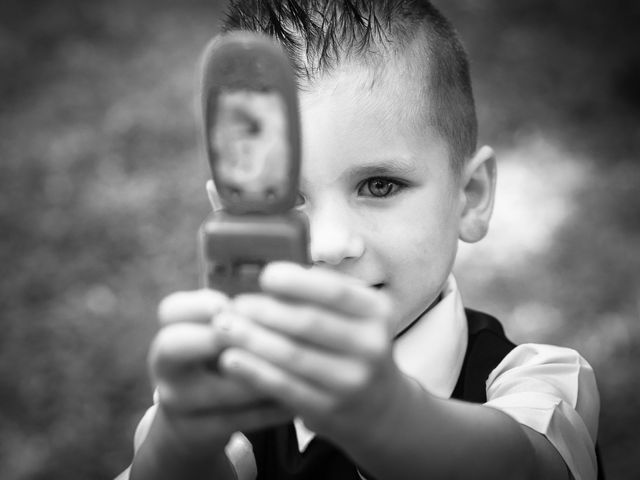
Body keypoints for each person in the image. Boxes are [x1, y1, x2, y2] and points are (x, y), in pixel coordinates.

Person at [118, 1, 601, 479]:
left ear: (469, 197)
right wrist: (180, 449)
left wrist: (388, 414)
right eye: (285, 200)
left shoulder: (535, 380)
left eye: (379, 185)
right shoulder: (231, 399)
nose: (330, 244)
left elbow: (527, 465)